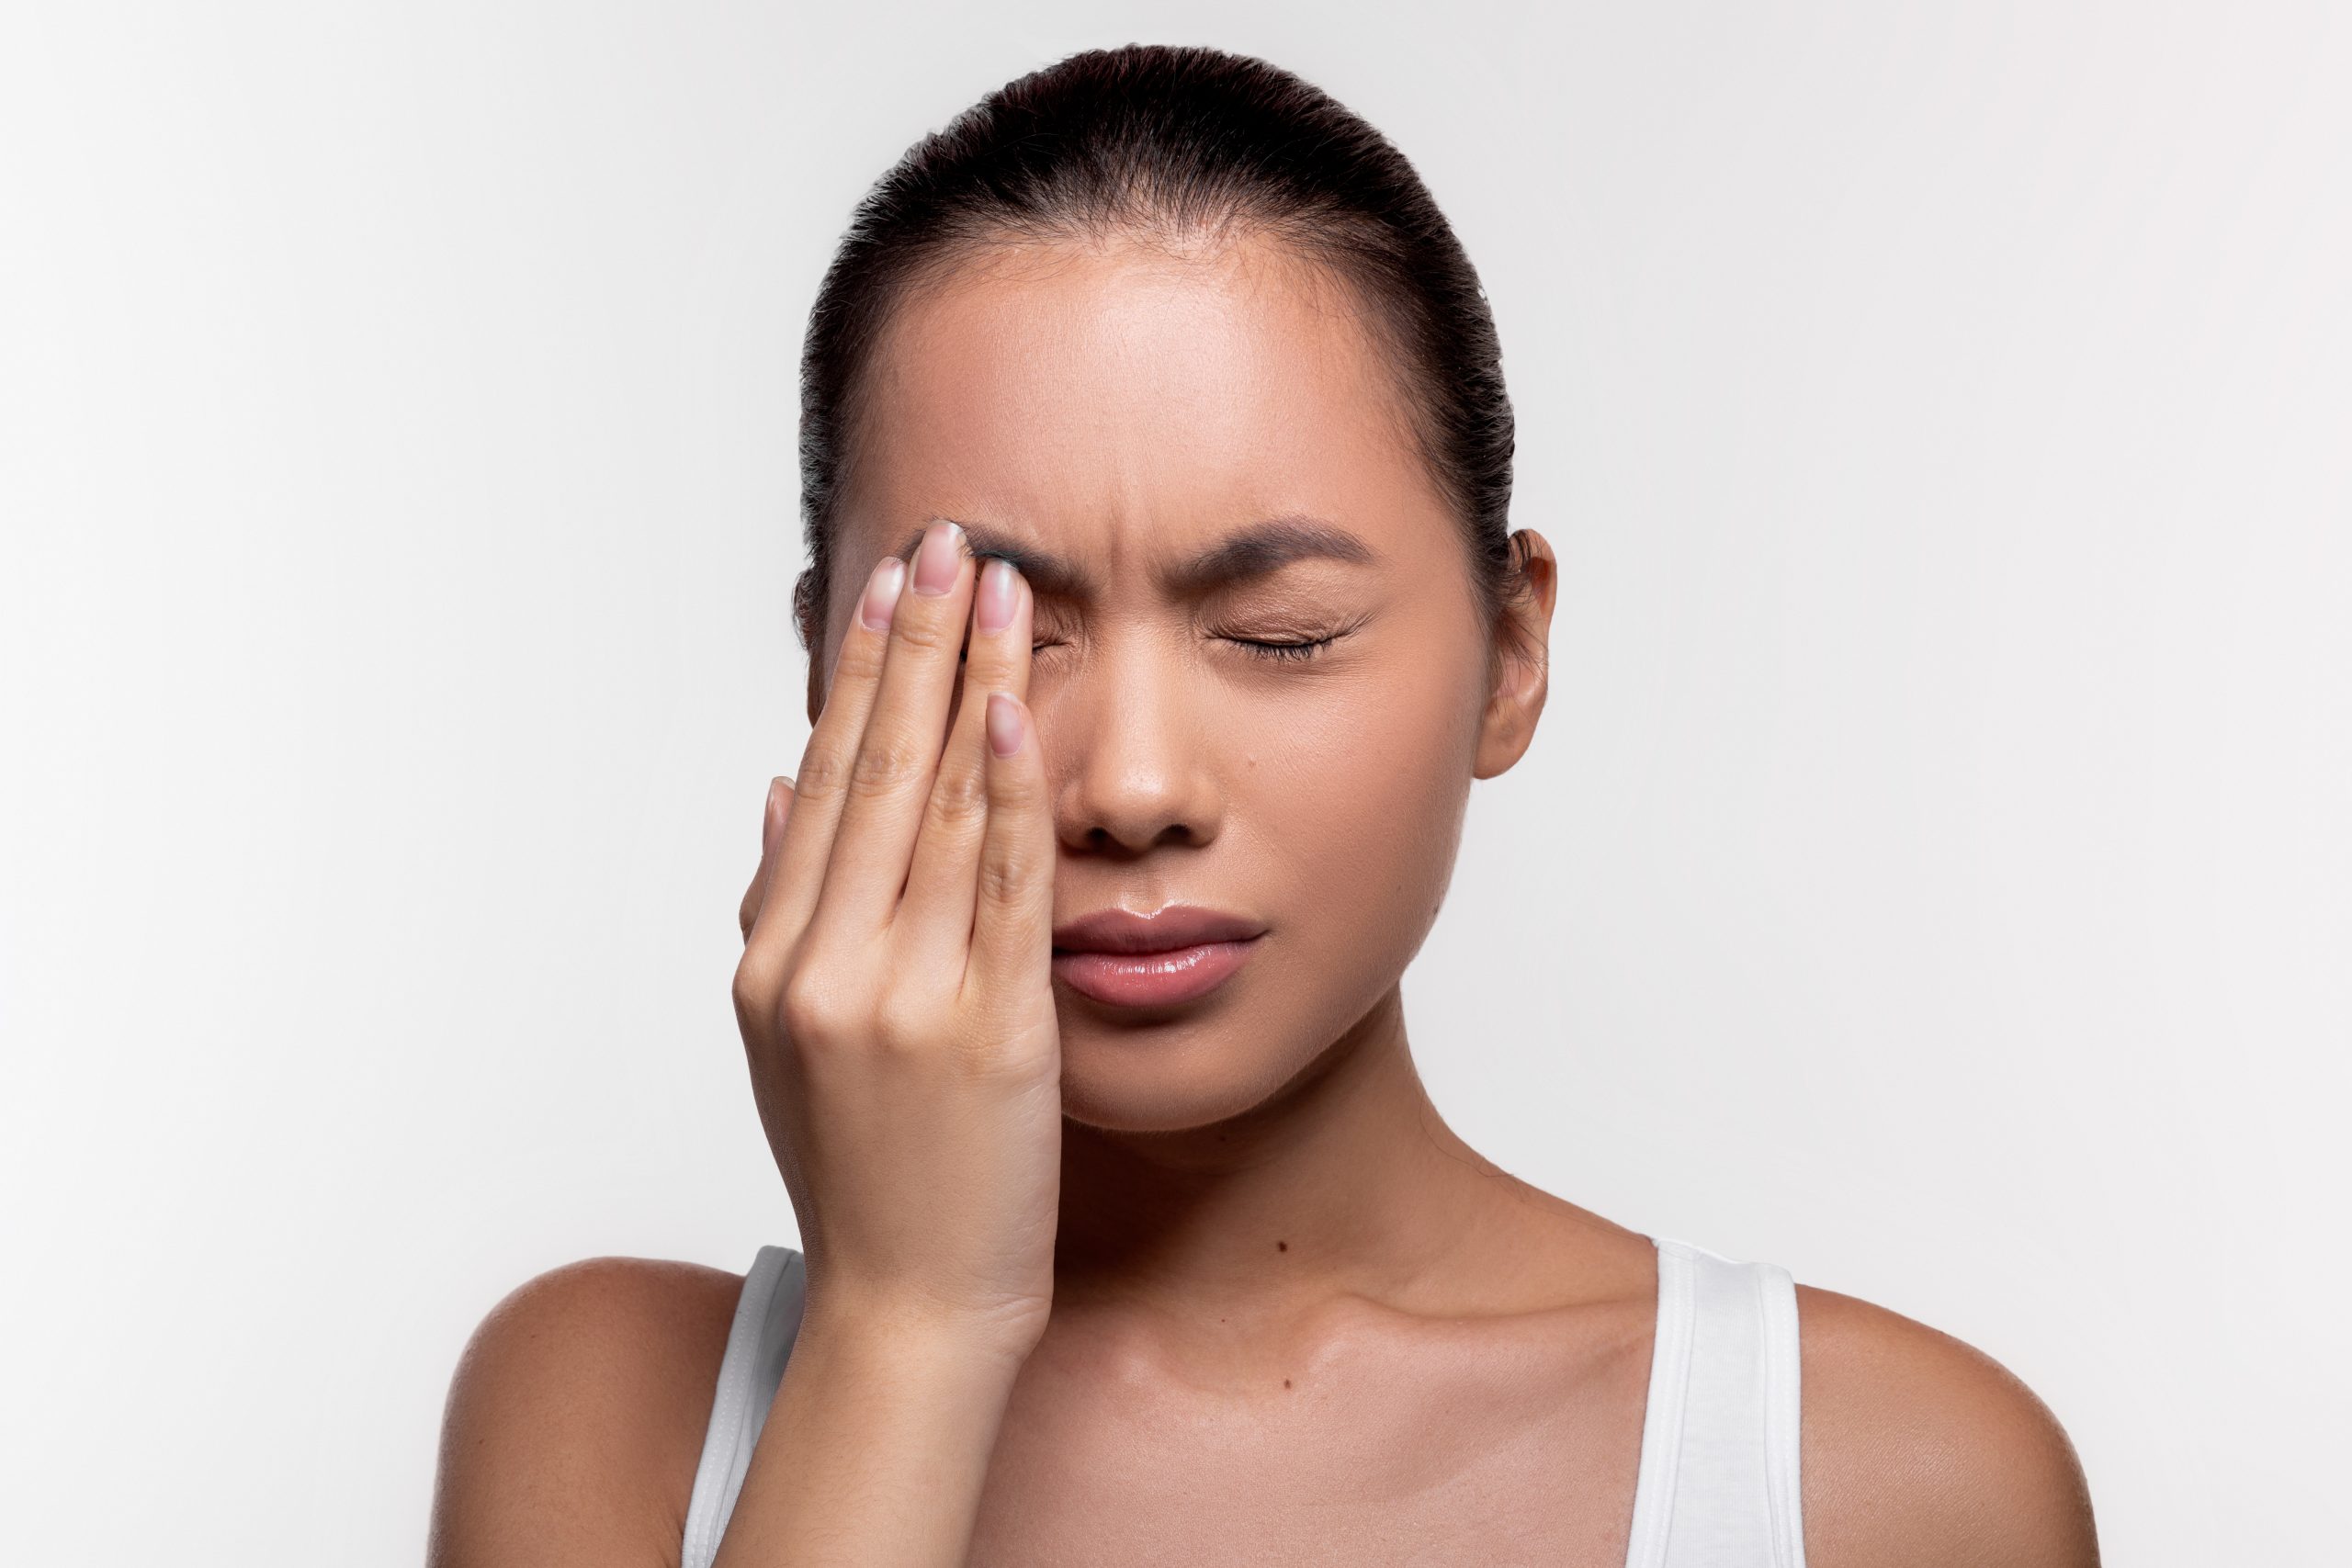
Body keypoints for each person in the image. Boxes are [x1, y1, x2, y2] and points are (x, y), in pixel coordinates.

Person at [424, 43, 2098, 1567]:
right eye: (1003, 632)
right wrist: (908, 1329)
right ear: (829, 667)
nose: (1135, 788)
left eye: (1278, 635)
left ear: (1510, 653)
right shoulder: (610, 1415)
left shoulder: (1885, 1486)